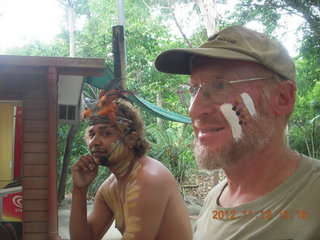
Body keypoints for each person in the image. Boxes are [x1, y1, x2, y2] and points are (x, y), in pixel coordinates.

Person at [155, 25, 320, 240]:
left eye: (220, 86)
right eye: (193, 89)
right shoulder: (216, 197)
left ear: (282, 98)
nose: (194, 109)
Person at [70, 90, 193, 240]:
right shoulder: (110, 188)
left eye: (106, 133)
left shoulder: (148, 179)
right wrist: (79, 190)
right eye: (92, 134)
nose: (94, 142)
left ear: (131, 139)